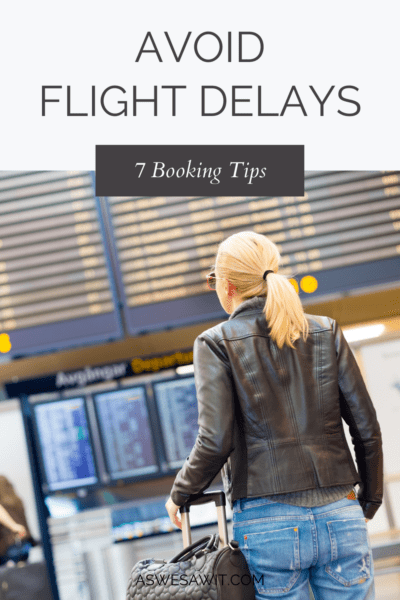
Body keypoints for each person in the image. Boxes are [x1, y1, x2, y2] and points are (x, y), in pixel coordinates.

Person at [166, 230, 383, 599]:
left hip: (268, 521)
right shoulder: (324, 330)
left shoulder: (215, 343)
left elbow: (215, 440)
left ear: (228, 286)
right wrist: (369, 499)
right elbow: (366, 427)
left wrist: (179, 493)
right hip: (340, 510)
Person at [0, 476, 36, 565]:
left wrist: (13, 527)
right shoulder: (18, 501)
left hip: (9, 547)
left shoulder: (3, 506)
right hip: (26, 543)